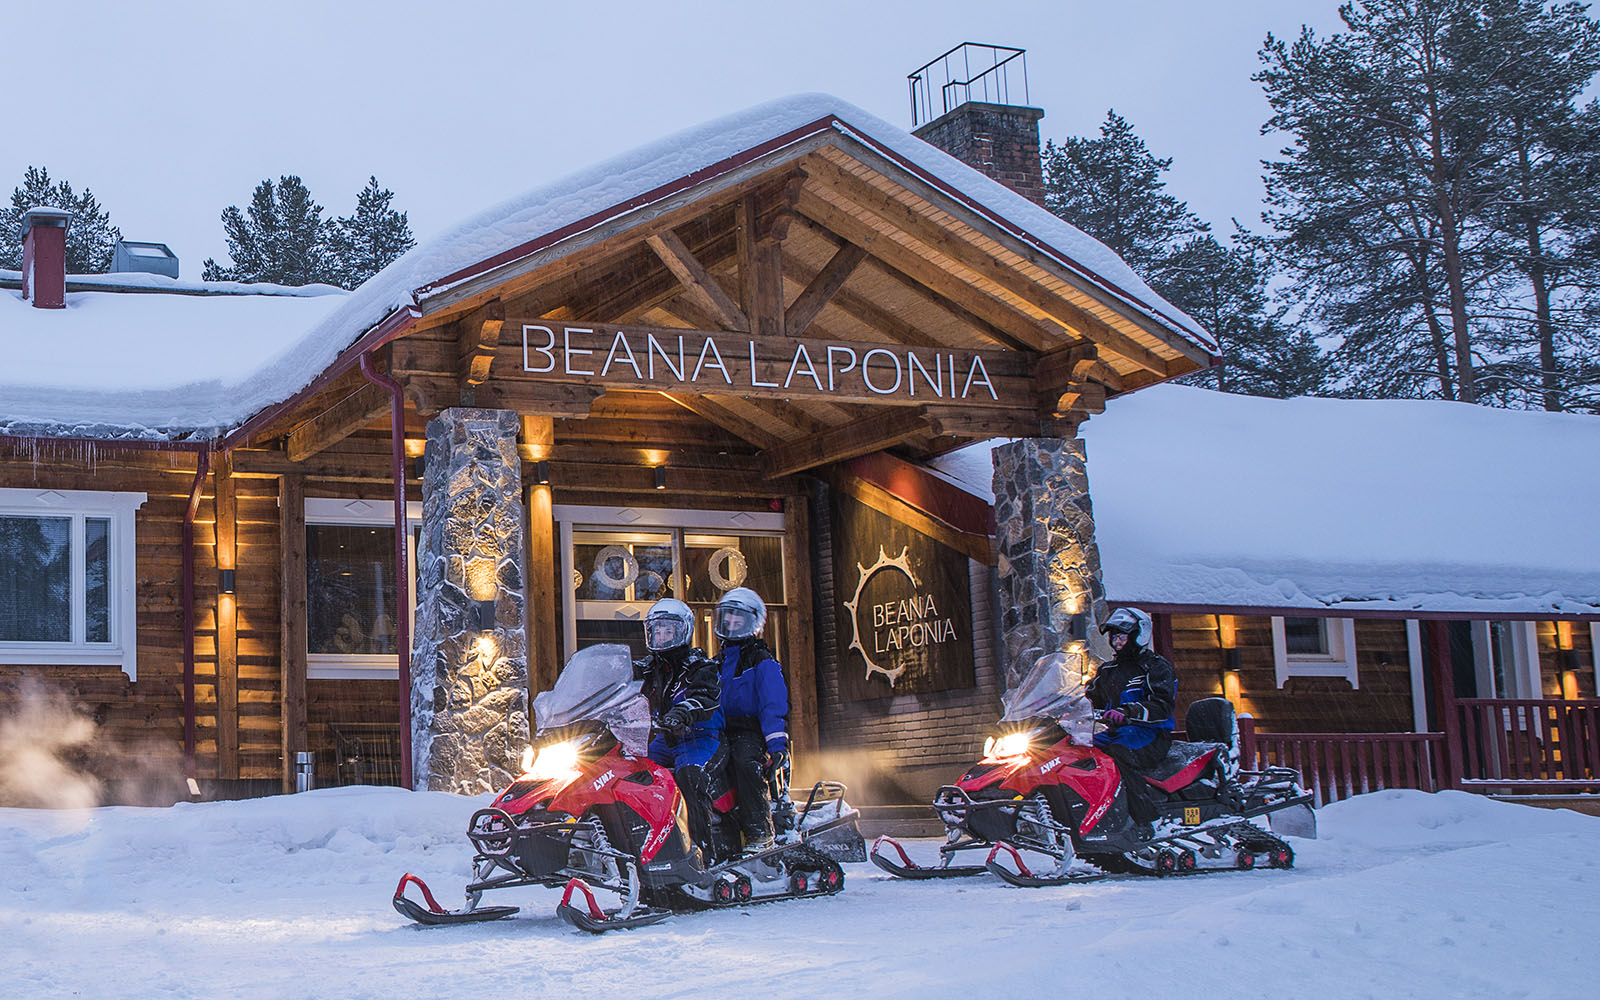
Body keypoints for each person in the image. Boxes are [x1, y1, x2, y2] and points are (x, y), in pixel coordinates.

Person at [634, 597, 724, 860]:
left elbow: (705, 695)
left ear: (683, 631)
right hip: (665, 739)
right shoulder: (647, 669)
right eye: (657, 630)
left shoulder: (700, 666)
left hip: (699, 737)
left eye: (668, 630)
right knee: (635, 773)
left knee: (689, 775)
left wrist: (683, 711)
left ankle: (702, 851)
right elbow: (622, 689)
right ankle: (642, 845)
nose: (662, 636)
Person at [1086, 607, 1176, 841]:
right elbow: (1088, 697)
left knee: (1117, 753)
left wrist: (1129, 711)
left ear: (1139, 635)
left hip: (1150, 734)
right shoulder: (1108, 671)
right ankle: (1092, 814)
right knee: (1081, 751)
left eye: (1122, 637)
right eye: (1114, 637)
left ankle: (1145, 819)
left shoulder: (1154, 667)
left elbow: (1162, 705)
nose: (1117, 642)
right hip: (1117, 732)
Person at [713, 587, 789, 853]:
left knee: (745, 763)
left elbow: (772, 703)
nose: (732, 622)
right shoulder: (716, 663)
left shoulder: (761, 660)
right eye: (728, 616)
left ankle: (760, 832)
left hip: (749, 731)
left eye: (739, 617)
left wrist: (777, 744)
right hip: (718, 731)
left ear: (753, 622)